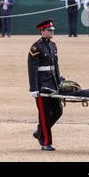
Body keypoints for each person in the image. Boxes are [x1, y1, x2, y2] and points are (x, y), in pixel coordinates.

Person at [28, 19, 64, 151]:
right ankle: (45, 143)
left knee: (58, 111)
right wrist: (34, 88)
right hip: (42, 85)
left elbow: (56, 66)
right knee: (43, 114)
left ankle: (39, 132)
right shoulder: (36, 47)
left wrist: (59, 82)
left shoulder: (53, 45)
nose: (51, 32)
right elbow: (32, 69)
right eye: (49, 30)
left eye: (52, 30)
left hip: (53, 83)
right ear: (42, 31)